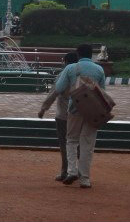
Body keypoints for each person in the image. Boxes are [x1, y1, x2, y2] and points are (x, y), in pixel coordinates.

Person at [52, 44, 106, 189]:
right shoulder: (99, 69)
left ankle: (71, 171)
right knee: (87, 144)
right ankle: (85, 179)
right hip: (93, 111)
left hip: (74, 109)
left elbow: (59, 88)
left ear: (78, 54)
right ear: (91, 55)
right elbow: (102, 91)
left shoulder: (71, 68)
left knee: (71, 140)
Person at [38, 52, 79, 181]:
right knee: (78, 144)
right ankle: (80, 171)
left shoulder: (64, 74)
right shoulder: (81, 74)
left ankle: (65, 171)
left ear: (65, 62)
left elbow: (54, 92)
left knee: (64, 143)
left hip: (63, 115)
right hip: (79, 114)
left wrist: (44, 108)